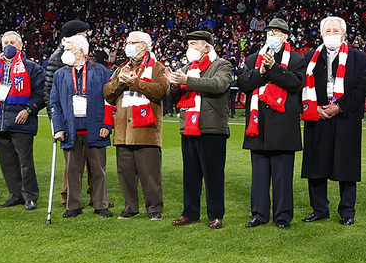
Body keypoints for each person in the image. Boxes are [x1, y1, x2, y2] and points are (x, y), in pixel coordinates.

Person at [237, 18, 308, 229]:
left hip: (283, 126)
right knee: (259, 175)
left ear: (286, 36)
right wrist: (260, 72)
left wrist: (274, 68)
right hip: (259, 125)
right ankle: (259, 214)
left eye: (277, 32)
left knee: (282, 176)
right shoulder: (252, 59)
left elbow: (295, 84)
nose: (272, 36)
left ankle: (282, 216)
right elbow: (243, 83)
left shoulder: (297, 59)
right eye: (269, 32)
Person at [299, 16, 366, 226]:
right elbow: (303, 86)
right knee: (316, 165)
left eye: (335, 31)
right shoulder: (310, 57)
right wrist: (316, 108)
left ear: (344, 34)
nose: (331, 35)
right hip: (317, 116)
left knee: (346, 165)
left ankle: (347, 211)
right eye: (327, 31)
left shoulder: (359, 58)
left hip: (345, 118)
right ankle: (319, 209)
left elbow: (361, 88)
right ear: (321, 35)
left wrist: (340, 106)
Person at [167, 31, 233, 230]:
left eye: (194, 44)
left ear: (206, 47)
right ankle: (190, 212)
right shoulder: (187, 68)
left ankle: (215, 214)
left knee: (213, 174)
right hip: (188, 125)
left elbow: (218, 84)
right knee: (190, 174)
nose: (190, 48)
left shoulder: (222, 64)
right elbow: (174, 98)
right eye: (188, 44)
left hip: (211, 127)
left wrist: (186, 80)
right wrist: (173, 85)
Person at [44, 20, 110, 210]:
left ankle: (101, 205)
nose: (65, 52)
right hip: (71, 128)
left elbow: (109, 101)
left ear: (81, 51)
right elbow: (54, 102)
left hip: (95, 127)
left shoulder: (101, 72)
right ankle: (73, 206)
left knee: (98, 170)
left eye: (69, 48)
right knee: (72, 171)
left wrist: (107, 124)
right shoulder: (60, 74)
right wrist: (58, 127)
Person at [104, 31, 169, 220]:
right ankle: (130, 207)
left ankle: (154, 208)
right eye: (127, 42)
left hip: (146, 129)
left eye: (133, 43)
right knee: (125, 173)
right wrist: (120, 83)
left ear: (144, 46)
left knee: (150, 173)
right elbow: (107, 92)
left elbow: (160, 90)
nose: (128, 46)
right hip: (123, 129)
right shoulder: (121, 68)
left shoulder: (156, 67)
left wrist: (135, 83)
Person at [0, 31, 45, 211]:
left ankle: (30, 196)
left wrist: (28, 109)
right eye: (5, 42)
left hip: (21, 122)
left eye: (13, 42)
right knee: (7, 163)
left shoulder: (32, 68)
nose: (9, 45)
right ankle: (15, 195)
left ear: (21, 46)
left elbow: (41, 94)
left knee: (25, 163)